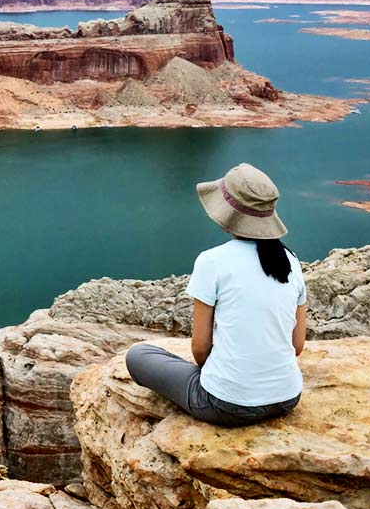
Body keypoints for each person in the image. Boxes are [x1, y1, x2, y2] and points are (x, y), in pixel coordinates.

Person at [125, 162, 306, 427]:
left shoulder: (213, 261)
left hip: (225, 406)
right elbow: (297, 346)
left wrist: (229, 376)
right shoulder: (291, 261)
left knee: (138, 356)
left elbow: (200, 350)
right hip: (287, 397)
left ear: (228, 213)